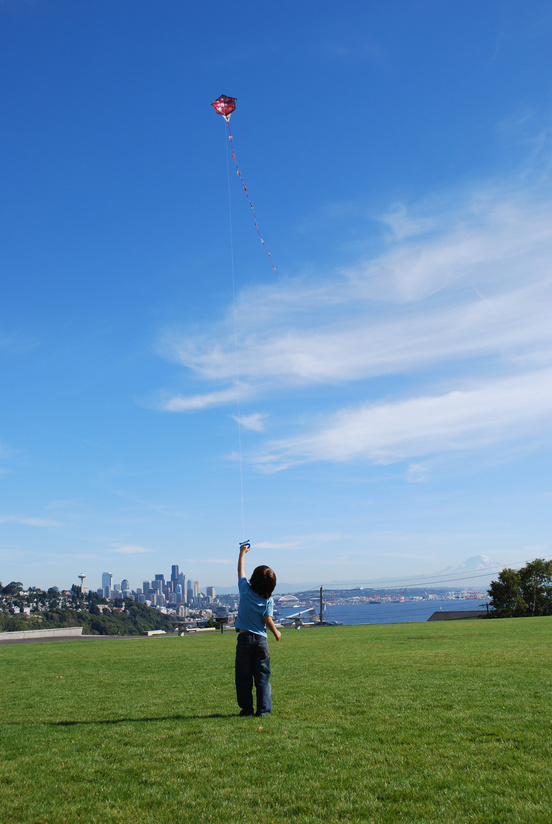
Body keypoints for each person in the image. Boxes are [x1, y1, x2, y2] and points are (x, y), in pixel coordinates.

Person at [235, 540, 281, 717]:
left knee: (244, 678)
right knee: (262, 678)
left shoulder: (245, 591)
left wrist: (242, 553)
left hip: (244, 639)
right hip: (261, 641)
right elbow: (268, 620)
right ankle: (264, 711)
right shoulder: (268, 600)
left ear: (253, 579)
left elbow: (240, 571)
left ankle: (246, 710)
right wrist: (276, 632)